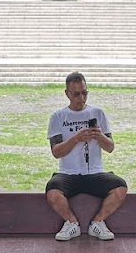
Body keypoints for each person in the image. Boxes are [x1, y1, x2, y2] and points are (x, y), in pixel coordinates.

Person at [45, 71, 127, 241]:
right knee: (52, 192)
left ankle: (97, 222)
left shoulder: (98, 113)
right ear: (67, 93)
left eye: (84, 93)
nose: (81, 98)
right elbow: (56, 152)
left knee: (120, 187)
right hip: (68, 173)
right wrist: (76, 138)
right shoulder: (58, 117)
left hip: (95, 173)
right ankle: (71, 223)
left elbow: (110, 147)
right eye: (76, 94)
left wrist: (99, 136)